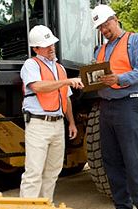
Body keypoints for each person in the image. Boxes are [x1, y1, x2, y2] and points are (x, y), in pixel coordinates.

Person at [91, 5, 138, 209]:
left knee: (133, 161)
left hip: (128, 104)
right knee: (111, 161)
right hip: (106, 107)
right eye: (100, 28)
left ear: (115, 18)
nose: (103, 30)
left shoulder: (134, 40)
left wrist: (118, 78)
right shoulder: (99, 50)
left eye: (105, 25)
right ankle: (122, 206)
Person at [19, 25, 84, 202]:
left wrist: (71, 122)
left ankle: (45, 204)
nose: (51, 48)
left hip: (57, 124)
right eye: (46, 45)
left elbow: (66, 98)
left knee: (53, 171)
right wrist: (65, 82)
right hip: (38, 124)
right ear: (36, 49)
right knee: (34, 172)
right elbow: (37, 86)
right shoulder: (31, 65)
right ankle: (27, 207)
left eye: (52, 44)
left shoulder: (60, 69)